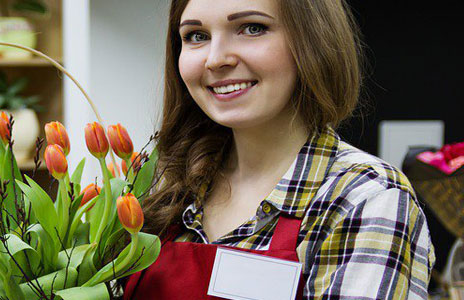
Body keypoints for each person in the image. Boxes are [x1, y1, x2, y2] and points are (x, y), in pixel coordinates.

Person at [123, 0, 434, 299]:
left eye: (252, 28)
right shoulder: (166, 190)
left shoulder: (366, 197)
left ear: (312, 40)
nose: (215, 59)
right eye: (197, 36)